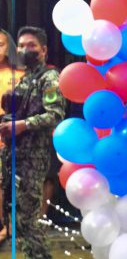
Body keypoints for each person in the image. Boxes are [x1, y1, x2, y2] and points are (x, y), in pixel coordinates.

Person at [0, 26, 66, 259]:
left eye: (31, 45)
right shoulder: (26, 77)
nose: (25, 50)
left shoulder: (49, 77)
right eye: (21, 45)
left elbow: (55, 114)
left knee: (29, 222)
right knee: (18, 219)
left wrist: (22, 125)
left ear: (44, 49)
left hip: (32, 159)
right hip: (13, 155)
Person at [0, 29, 22, 245]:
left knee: (13, 182)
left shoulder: (18, 73)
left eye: (1, 44)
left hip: (13, 130)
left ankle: (12, 226)